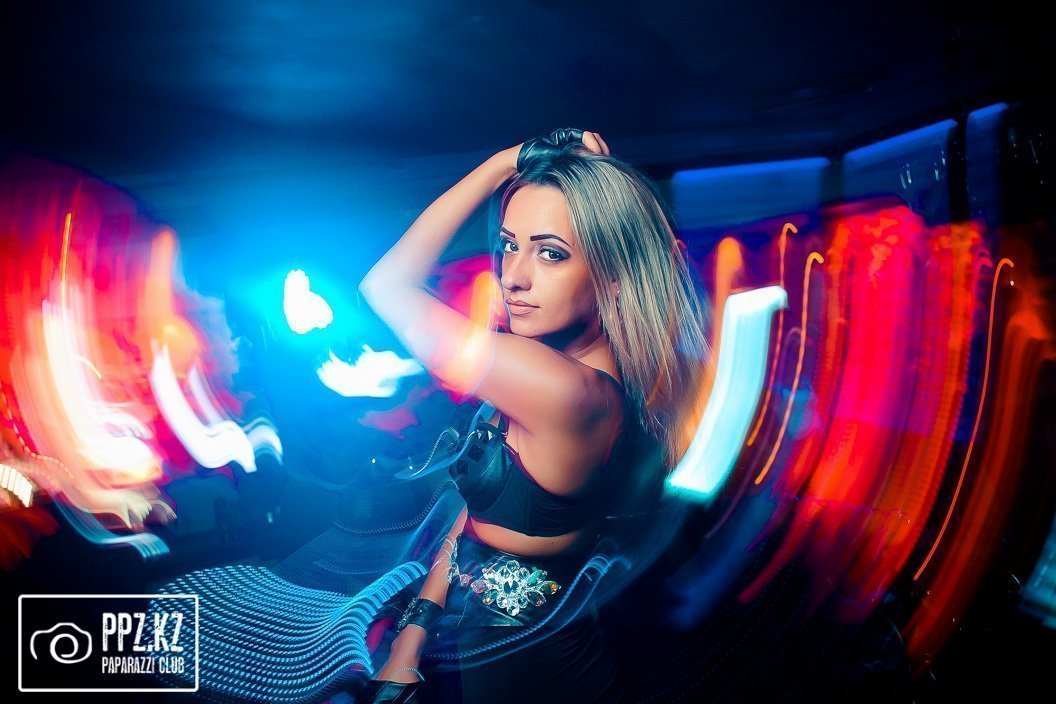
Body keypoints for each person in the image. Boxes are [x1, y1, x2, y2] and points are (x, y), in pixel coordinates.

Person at [357, 128, 712, 703]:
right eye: (509, 245)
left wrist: (504, 162)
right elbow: (478, 523)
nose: (512, 276)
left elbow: (385, 287)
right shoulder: (559, 373)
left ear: (613, 274)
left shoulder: (566, 391)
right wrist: (410, 641)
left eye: (551, 253)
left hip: (545, 675)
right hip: (496, 654)